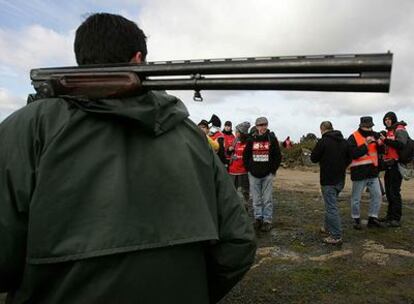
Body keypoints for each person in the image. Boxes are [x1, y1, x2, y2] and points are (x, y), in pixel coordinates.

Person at [0, 13, 256, 304]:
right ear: (138, 59)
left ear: (81, 58)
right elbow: (238, 243)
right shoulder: (190, 135)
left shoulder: (29, 126)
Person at [311, 121, 350, 244]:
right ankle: (327, 228)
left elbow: (313, 158)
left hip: (328, 179)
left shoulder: (323, 142)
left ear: (322, 129)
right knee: (331, 205)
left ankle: (336, 235)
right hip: (340, 179)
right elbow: (350, 158)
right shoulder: (344, 141)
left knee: (331, 207)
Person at [243, 117, 282, 232]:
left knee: (267, 199)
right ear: (256, 126)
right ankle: (258, 218)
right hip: (254, 174)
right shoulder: (251, 139)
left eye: (265, 124)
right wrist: (249, 169)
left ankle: (267, 221)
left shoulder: (272, 139)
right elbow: (246, 155)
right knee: (256, 199)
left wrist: (272, 170)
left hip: (267, 175)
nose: (263, 127)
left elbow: (277, 156)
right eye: (260, 125)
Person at [348, 116, 384, 230]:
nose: (369, 129)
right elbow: (353, 154)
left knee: (377, 195)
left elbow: (381, 152)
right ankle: (356, 219)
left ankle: (373, 218)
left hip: (373, 172)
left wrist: (380, 143)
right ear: (361, 126)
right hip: (359, 173)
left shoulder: (375, 135)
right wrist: (366, 145)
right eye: (367, 127)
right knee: (356, 198)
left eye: (371, 126)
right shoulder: (353, 137)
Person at [379, 111, 409, 227]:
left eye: (389, 119)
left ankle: (395, 218)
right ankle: (389, 217)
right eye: (385, 119)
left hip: (396, 165)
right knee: (389, 192)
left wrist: (386, 140)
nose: (387, 121)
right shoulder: (389, 131)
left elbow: (401, 144)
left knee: (394, 192)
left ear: (393, 119)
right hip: (389, 165)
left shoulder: (399, 129)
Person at [228, 122, 251, 207]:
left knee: (244, 191)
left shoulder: (248, 142)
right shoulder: (235, 140)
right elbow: (229, 151)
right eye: (235, 131)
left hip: (243, 171)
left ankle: (245, 206)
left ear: (242, 133)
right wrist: (230, 150)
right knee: (232, 191)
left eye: (237, 132)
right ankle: (233, 207)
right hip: (232, 170)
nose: (235, 133)